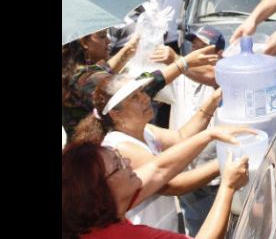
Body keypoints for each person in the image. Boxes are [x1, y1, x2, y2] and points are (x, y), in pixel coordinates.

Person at [71, 74, 236, 231]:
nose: (145, 98)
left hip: (163, 226)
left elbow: (181, 137)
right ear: (116, 113)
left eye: (142, 91)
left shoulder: (146, 130)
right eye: (134, 97)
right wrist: (227, 161)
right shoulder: (121, 146)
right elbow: (174, 184)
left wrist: (213, 101)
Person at [62, 138, 250, 238]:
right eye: (118, 164)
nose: (127, 162)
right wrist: (228, 186)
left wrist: (211, 134)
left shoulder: (93, 219)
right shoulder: (125, 236)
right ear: (100, 190)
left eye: (120, 156)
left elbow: (159, 169)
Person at [149, 25, 226, 236]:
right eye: (194, 46)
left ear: (219, 54)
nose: (196, 52)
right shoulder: (182, 76)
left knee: (221, 228)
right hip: (186, 172)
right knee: (195, 229)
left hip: (215, 174)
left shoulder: (224, 77)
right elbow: (148, 85)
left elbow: (212, 76)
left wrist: (178, 60)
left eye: (204, 48)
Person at [62, 43, 218, 137]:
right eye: (102, 36)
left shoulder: (74, 74)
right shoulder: (83, 78)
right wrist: (182, 64)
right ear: (84, 43)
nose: (108, 41)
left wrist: (128, 50)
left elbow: (105, 70)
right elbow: (131, 88)